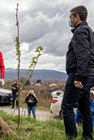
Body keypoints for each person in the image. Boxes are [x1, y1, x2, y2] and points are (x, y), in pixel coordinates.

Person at [61, 5, 94, 139]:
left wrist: (79, 77)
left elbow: (83, 55)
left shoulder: (80, 32)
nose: (69, 19)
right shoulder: (89, 31)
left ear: (77, 17)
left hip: (80, 73)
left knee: (67, 106)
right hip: (89, 73)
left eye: (71, 17)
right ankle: (87, 136)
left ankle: (71, 136)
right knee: (85, 107)